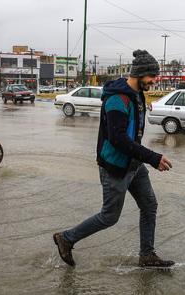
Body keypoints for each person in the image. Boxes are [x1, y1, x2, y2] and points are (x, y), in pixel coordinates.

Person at [53, 49, 175, 268]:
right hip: (116, 167)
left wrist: (143, 159)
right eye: (152, 76)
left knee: (149, 205)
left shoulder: (137, 93)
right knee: (109, 216)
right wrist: (153, 157)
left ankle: (147, 255)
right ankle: (66, 238)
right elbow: (117, 138)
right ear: (139, 75)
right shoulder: (118, 99)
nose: (154, 81)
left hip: (134, 164)